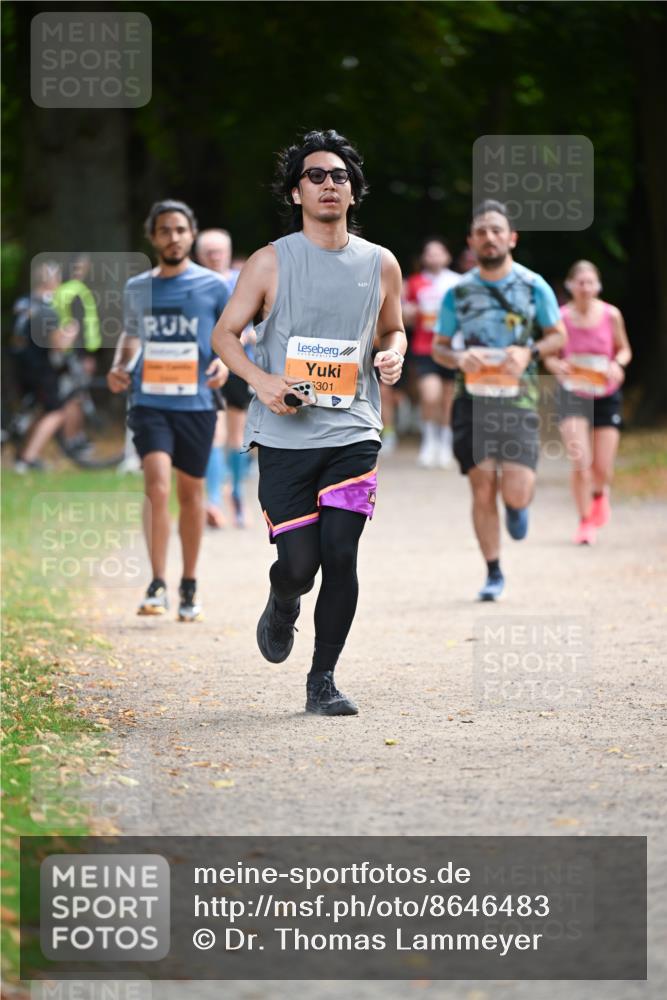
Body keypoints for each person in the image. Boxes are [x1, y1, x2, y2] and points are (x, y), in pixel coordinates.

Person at [212, 129, 406, 716]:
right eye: (315, 176)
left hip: (353, 428)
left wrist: (393, 352)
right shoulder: (270, 261)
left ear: (353, 192)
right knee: (300, 565)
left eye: (339, 176)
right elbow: (224, 335)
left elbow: (391, 327)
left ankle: (322, 681)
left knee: (341, 554)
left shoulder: (380, 264)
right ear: (296, 192)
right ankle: (282, 599)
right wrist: (262, 381)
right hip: (285, 435)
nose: (328, 184)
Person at [432, 200, 566, 601]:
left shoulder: (532, 285)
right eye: (481, 232)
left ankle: (518, 506)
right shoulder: (459, 291)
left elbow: (558, 334)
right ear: (471, 241)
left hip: (519, 401)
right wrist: (458, 356)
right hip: (472, 400)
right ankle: (493, 571)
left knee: (516, 490)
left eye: (496, 230)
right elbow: (439, 347)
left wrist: (531, 352)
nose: (489, 237)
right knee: (481, 486)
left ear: (511, 238)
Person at [107, 199, 229, 621]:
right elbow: (132, 334)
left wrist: (224, 363)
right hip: (149, 401)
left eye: (180, 229)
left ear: (190, 234)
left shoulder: (214, 286)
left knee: (190, 495)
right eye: (164, 230)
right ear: (153, 236)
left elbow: (234, 336)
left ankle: (189, 583)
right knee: (156, 484)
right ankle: (157, 582)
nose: (173, 237)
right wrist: (120, 367)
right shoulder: (138, 287)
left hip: (196, 403)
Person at [544, 260, 632, 545]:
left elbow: (624, 350)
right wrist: (556, 366)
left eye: (590, 282)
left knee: (601, 468)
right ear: (570, 285)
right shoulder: (560, 317)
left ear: (598, 286)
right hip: (572, 393)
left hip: (606, 394)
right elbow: (549, 355)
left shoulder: (611, 315)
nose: (584, 287)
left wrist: (617, 364)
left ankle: (599, 493)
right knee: (581, 462)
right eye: (579, 282)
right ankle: (584, 522)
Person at [197, 228, 254, 527]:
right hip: (204, 368)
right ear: (199, 255)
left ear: (229, 252)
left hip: (239, 367)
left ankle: (237, 496)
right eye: (209, 251)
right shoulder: (193, 284)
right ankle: (213, 502)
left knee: (237, 437)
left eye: (219, 250)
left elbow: (260, 325)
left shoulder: (243, 282)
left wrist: (246, 337)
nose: (215, 256)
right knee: (213, 435)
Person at [11, 261, 80, 471]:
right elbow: (58, 346)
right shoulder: (49, 310)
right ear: (52, 281)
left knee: (36, 410)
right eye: (58, 279)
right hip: (41, 367)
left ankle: (21, 453)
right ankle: (27, 460)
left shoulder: (23, 303)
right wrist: (71, 332)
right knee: (56, 411)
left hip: (18, 364)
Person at [403, 238, 461, 467]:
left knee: (449, 399)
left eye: (439, 253)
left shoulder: (458, 283)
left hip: (453, 348)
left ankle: (446, 445)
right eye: (430, 253)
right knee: (430, 396)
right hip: (424, 347)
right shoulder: (415, 282)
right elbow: (404, 314)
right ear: (424, 258)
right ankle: (429, 441)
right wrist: (409, 311)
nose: (434, 257)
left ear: (447, 257)